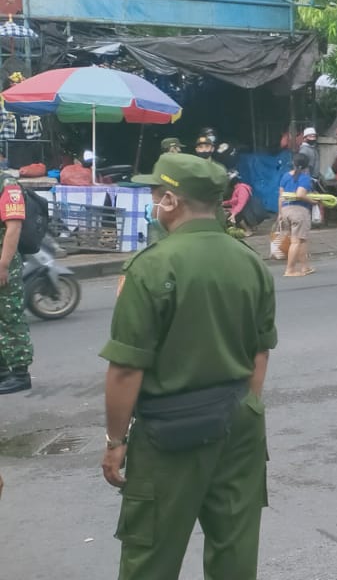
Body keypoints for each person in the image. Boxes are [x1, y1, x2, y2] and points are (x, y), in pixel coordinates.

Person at [100, 153, 276, 579]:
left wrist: (115, 441)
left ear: (171, 201)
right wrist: (238, 406)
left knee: (151, 556)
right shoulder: (249, 261)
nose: (153, 202)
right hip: (240, 422)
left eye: (156, 195)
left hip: (170, 431)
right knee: (234, 550)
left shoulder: (152, 266)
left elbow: (126, 369)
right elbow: (259, 353)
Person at [0, 172, 33, 395]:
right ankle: (3, 372)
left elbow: (14, 228)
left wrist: (3, 265)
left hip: (4, 262)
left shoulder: (8, 186)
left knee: (10, 317)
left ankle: (21, 374)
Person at [278, 154, 316, 278]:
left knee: (301, 239)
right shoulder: (304, 178)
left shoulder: (285, 176)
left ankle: (305, 267)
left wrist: (280, 213)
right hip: (299, 211)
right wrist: (313, 201)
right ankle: (290, 270)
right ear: (306, 165)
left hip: (286, 210)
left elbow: (281, 196)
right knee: (296, 241)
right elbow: (300, 194)